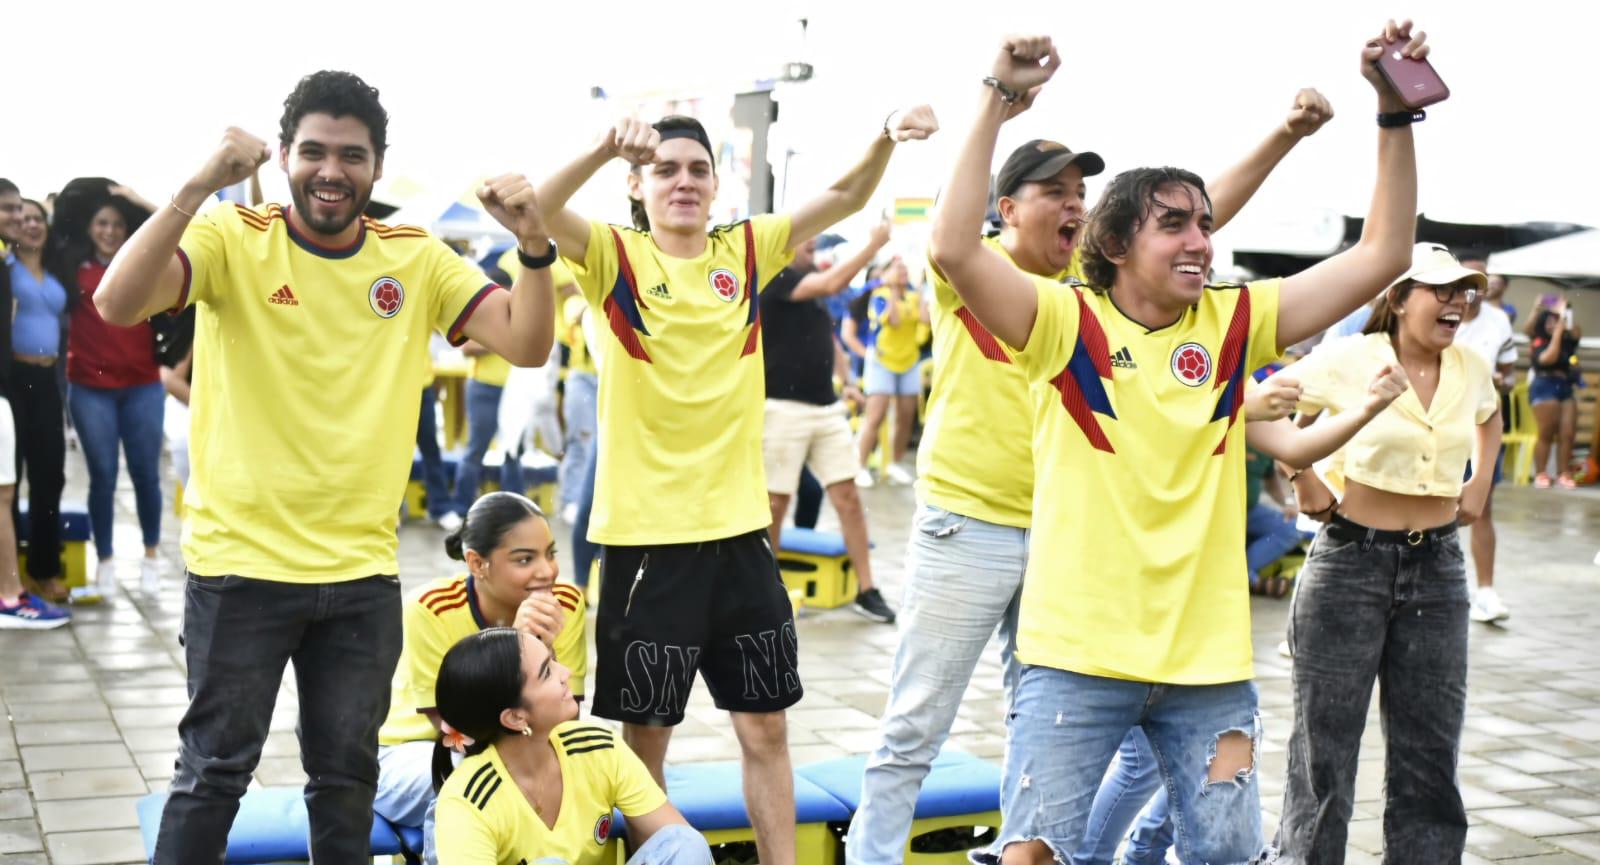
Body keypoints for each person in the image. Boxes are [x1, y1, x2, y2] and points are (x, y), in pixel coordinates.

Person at [925, 23, 1424, 864]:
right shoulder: (1062, 323)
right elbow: (949, 246)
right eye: (1174, 224)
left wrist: (1391, 112)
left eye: (1204, 222)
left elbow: (1385, 253)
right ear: (1116, 245)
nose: (1200, 239)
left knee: (1226, 856)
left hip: (1208, 670)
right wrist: (995, 96)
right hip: (1073, 660)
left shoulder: (1236, 323)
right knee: (1034, 854)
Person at [848, 59, 1339, 865]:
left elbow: (1192, 219)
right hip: (969, 522)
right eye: (1053, 192)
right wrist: (995, 101)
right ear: (1004, 209)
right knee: (917, 721)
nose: (1073, 204)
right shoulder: (977, 274)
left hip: (1067, 542)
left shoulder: (1101, 300)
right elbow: (951, 230)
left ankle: (1033, 847)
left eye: (1082, 193)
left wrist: (1281, 137)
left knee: (1037, 724)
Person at [94, 70, 558, 863]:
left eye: (352, 154)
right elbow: (116, 302)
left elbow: (525, 341)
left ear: (377, 165)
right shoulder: (232, 236)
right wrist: (197, 183)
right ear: (282, 156)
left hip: (360, 576)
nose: (331, 170)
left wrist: (535, 248)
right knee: (214, 772)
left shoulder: (415, 257)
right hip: (240, 567)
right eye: (313, 151)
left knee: (347, 778)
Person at [536, 106, 937, 864]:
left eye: (698, 169)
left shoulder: (747, 249)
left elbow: (847, 195)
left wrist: (883, 132)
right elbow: (542, 209)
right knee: (646, 747)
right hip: (646, 544)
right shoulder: (614, 258)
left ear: (719, 185)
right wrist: (598, 143)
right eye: (665, 170)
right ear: (637, 185)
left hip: (740, 536)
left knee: (767, 728)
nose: (683, 182)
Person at [1076, 365, 1412, 865]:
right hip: (1134, 589)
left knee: (1219, 741)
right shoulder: (1135, 367)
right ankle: (1096, 857)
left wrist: (1361, 410)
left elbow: (1295, 448)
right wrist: (1245, 408)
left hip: (1203, 597)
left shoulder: (1222, 369)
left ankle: (1146, 850)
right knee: (1144, 759)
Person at [1273, 243, 1501, 863]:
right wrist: (1302, 475)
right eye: (1441, 290)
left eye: (1464, 291)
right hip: (1351, 563)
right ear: (1398, 299)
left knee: (1430, 749)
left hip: (1439, 570)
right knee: (1325, 749)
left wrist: (1479, 482)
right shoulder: (1350, 357)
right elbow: (1276, 405)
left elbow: (1490, 416)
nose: (1457, 301)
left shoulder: (1471, 367)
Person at [375, 491, 586, 862]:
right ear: (477, 563)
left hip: (519, 745)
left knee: (593, 752)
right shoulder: (432, 608)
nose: (547, 571)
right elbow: (458, 731)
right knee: (471, 776)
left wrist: (542, 652)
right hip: (417, 752)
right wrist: (517, 646)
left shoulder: (564, 603)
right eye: (524, 559)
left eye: (551, 553)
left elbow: (567, 713)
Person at [432, 628, 710, 865]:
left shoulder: (599, 748)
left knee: (683, 842)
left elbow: (676, 841)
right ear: (515, 717)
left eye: (553, 661)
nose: (566, 672)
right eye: (546, 672)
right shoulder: (466, 800)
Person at [762, 223, 896, 623]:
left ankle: (867, 589)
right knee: (775, 504)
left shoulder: (808, 283)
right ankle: (768, 593)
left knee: (849, 498)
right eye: (804, 235)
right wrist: (873, 244)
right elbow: (834, 282)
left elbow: (832, 341)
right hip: (781, 407)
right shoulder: (776, 276)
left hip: (826, 407)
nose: (811, 240)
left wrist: (849, 383)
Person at [59, 187, 167, 591]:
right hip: (89, 388)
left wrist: (136, 198)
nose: (109, 231)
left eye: (118, 224)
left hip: (142, 386)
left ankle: (152, 556)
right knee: (102, 476)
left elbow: (180, 228)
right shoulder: (72, 265)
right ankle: (104, 560)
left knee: (146, 474)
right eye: (102, 223)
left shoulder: (142, 264)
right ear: (89, 227)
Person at [0, 179, 68, 628]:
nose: (27, 223)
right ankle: (14, 576)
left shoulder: (59, 265)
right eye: (17, 216)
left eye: (34, 217)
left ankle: (44, 568)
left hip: (49, 381)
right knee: (12, 479)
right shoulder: (5, 266)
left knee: (51, 474)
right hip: (14, 379)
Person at [1453, 256, 1517, 622]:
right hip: (1440, 424)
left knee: (1482, 506)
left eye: (1482, 278)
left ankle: (1486, 592)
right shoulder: (1442, 315)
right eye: (1468, 278)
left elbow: (1508, 369)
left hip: (1482, 422)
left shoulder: (1499, 320)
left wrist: (1499, 381)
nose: (1476, 286)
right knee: (1430, 508)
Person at [850, 256, 927, 486]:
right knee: (876, 414)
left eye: (905, 269)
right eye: (898, 269)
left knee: (905, 416)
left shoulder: (914, 297)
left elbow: (925, 319)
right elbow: (892, 321)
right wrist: (892, 290)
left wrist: (922, 291)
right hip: (882, 361)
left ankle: (893, 463)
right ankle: (860, 466)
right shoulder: (880, 297)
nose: (903, 272)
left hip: (909, 361)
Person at [1526, 292, 1582, 488]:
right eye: (1549, 321)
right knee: (1546, 433)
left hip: (1565, 385)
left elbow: (1576, 332)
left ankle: (1564, 473)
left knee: (1568, 433)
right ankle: (1541, 473)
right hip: (1544, 385)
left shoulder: (1568, 338)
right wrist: (1556, 331)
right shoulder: (1538, 341)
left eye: (1556, 321)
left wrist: (1565, 312)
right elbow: (1548, 359)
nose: (1553, 324)